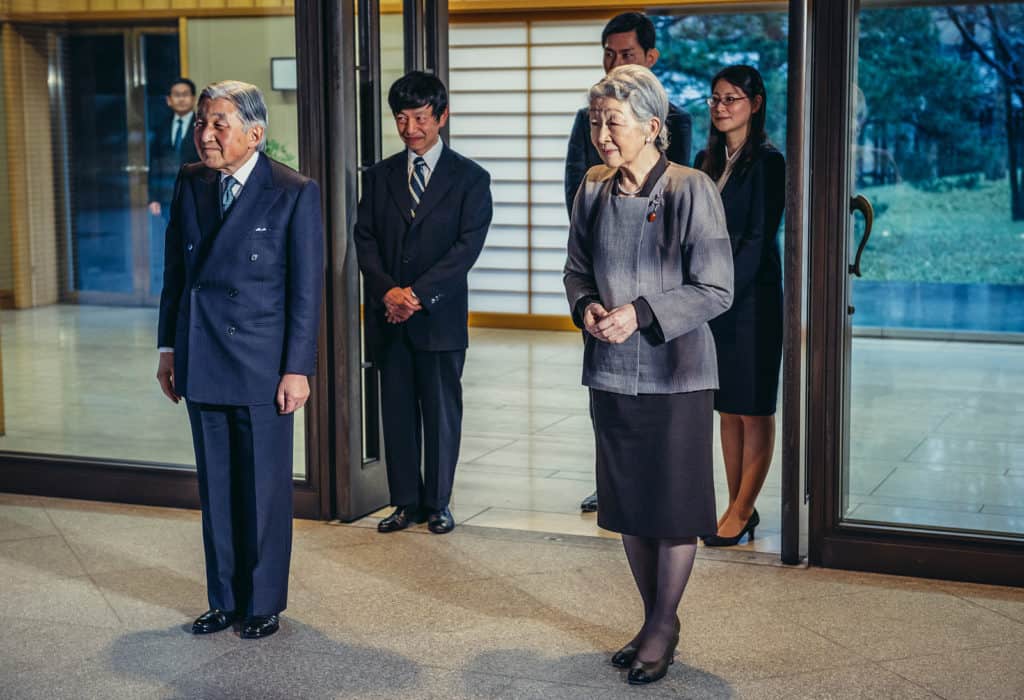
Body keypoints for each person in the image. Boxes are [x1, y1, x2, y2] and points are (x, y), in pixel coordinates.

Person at [563, 65, 732, 685]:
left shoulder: (692, 189)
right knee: (630, 503)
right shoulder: (592, 187)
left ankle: (663, 625)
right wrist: (587, 308)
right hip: (609, 370)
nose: (602, 134)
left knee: (673, 505)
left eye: (615, 122)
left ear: (653, 127)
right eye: (596, 121)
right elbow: (576, 270)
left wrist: (639, 314)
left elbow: (716, 289)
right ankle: (653, 618)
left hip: (678, 373)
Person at [156, 80, 323, 639]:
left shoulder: (293, 190)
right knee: (218, 488)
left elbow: (306, 289)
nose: (206, 134)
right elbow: (175, 277)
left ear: (254, 133)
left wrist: (298, 368)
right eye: (203, 122)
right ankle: (224, 598)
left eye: (218, 124)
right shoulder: (191, 182)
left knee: (263, 493)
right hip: (200, 353)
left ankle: (263, 602)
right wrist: (168, 349)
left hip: (261, 364)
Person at [563, 11, 693, 514]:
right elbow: (579, 181)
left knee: (661, 397)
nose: (614, 63)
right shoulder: (589, 121)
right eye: (609, 53)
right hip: (602, 269)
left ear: (650, 58)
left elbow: (667, 194)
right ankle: (612, 478)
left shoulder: (676, 122)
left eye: (627, 54)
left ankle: (656, 484)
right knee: (608, 390)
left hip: (659, 284)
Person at [354, 71, 492, 536]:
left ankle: (439, 502)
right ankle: (404, 502)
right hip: (389, 316)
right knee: (395, 411)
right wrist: (387, 292)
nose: (410, 128)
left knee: (440, 412)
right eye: (401, 118)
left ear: (442, 117)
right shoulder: (378, 176)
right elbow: (364, 239)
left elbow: (466, 249)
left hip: (439, 317)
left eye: (420, 117)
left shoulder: (471, 179)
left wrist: (416, 295)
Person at [694, 65, 785, 547]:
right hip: (711, 298)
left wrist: (722, 294)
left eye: (732, 99)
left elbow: (756, 237)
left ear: (756, 103)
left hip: (752, 299)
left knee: (754, 407)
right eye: (715, 99)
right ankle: (736, 507)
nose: (721, 107)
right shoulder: (705, 160)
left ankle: (744, 506)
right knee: (727, 408)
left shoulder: (770, 162)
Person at [148, 78, 201, 218]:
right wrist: (153, 197)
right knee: (173, 237)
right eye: (177, 95)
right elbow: (155, 164)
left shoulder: (204, 127)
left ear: (194, 99)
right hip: (168, 198)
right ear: (169, 100)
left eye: (185, 94)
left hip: (198, 196)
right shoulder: (161, 128)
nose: (181, 99)